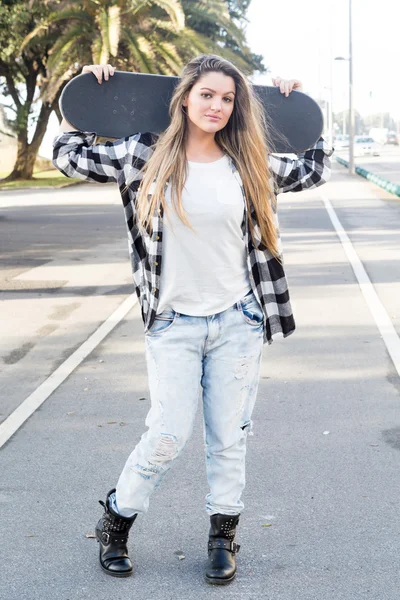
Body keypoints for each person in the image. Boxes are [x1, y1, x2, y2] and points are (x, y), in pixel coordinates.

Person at [53, 54, 334, 585]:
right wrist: (83, 101)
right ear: (185, 97)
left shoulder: (250, 161)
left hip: (239, 320)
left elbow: (312, 168)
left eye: (228, 98)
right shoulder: (145, 154)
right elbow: (70, 157)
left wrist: (304, 112)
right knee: (166, 435)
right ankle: (117, 518)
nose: (217, 105)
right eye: (207, 94)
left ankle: (222, 536)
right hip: (173, 323)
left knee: (230, 436)